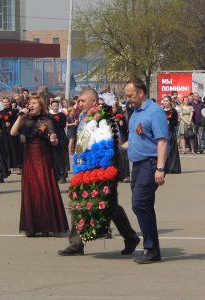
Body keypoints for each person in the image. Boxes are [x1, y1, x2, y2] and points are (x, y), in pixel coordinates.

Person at [58, 87, 140, 256]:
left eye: (82, 101)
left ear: (93, 101)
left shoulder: (104, 117)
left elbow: (111, 145)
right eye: (79, 101)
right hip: (83, 166)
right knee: (78, 201)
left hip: (101, 168)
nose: (79, 104)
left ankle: (130, 237)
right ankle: (76, 244)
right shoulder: (84, 117)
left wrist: (104, 170)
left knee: (109, 204)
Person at [10, 96, 69, 237]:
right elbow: (13, 132)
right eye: (29, 103)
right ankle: (31, 227)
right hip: (29, 160)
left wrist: (53, 140)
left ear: (41, 106)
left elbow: (53, 141)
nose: (31, 105)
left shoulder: (47, 120)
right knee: (31, 193)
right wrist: (20, 116)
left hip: (43, 160)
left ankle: (46, 226)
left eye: (34, 103)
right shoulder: (25, 120)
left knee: (44, 192)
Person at [125, 78, 168, 264]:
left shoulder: (155, 112)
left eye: (130, 95)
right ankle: (153, 249)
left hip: (150, 164)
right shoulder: (135, 112)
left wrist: (160, 168)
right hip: (137, 165)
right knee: (145, 206)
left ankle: (150, 247)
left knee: (139, 203)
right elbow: (135, 138)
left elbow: (162, 141)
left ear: (140, 92)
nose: (128, 99)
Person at [50, 100, 69, 183]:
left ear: (59, 106)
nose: (55, 107)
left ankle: (63, 175)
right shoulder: (49, 115)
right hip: (52, 137)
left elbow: (63, 125)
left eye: (56, 106)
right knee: (54, 156)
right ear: (51, 106)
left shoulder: (62, 115)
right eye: (53, 106)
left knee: (62, 156)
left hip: (61, 136)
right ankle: (55, 175)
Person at [162, 96, 181, 174]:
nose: (165, 102)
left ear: (170, 101)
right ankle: (163, 167)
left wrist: (170, 120)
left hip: (170, 131)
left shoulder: (173, 111)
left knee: (171, 149)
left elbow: (176, 123)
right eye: (164, 101)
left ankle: (172, 168)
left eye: (167, 101)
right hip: (163, 131)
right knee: (163, 149)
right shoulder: (161, 110)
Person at [113, 101, 131, 182]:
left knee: (123, 155)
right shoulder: (109, 116)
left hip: (122, 138)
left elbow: (124, 128)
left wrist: (121, 123)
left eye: (113, 107)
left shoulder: (121, 116)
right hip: (113, 139)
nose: (112, 109)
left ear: (117, 108)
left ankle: (126, 175)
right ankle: (117, 174)